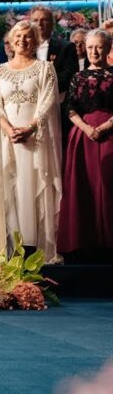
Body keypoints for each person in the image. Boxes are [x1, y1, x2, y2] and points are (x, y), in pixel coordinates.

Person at [0, 20, 62, 262]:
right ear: (10, 41)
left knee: (34, 185)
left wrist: (30, 128)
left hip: (36, 140)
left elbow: (48, 101)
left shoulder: (44, 69)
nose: (23, 40)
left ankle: (37, 249)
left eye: (28, 36)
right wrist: (9, 130)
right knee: (11, 188)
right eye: (18, 36)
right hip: (8, 140)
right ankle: (13, 249)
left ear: (36, 41)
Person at [58, 29, 113, 258]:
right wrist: (87, 128)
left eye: (99, 46)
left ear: (108, 48)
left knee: (108, 186)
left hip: (110, 136)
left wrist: (104, 127)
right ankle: (85, 244)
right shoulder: (77, 77)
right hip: (82, 138)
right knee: (84, 187)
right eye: (90, 47)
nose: (94, 51)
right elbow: (70, 108)